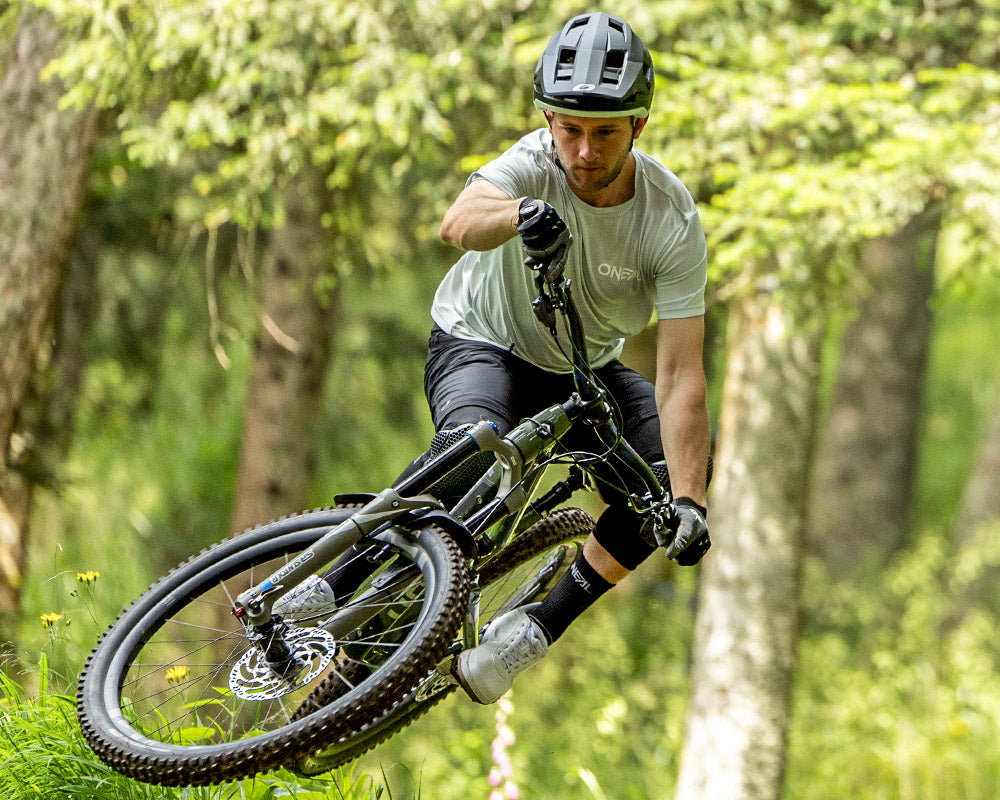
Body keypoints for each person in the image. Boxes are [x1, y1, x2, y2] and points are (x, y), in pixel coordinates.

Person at [277, 11, 711, 705]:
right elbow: (459, 221)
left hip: (580, 371)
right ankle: (331, 581)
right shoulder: (531, 163)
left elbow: (683, 376)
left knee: (664, 488)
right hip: (484, 342)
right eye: (568, 129)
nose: (584, 151)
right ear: (547, 120)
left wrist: (690, 500)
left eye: (605, 133)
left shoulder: (670, 217)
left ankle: (533, 632)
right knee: (475, 448)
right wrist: (518, 215)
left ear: (639, 127)